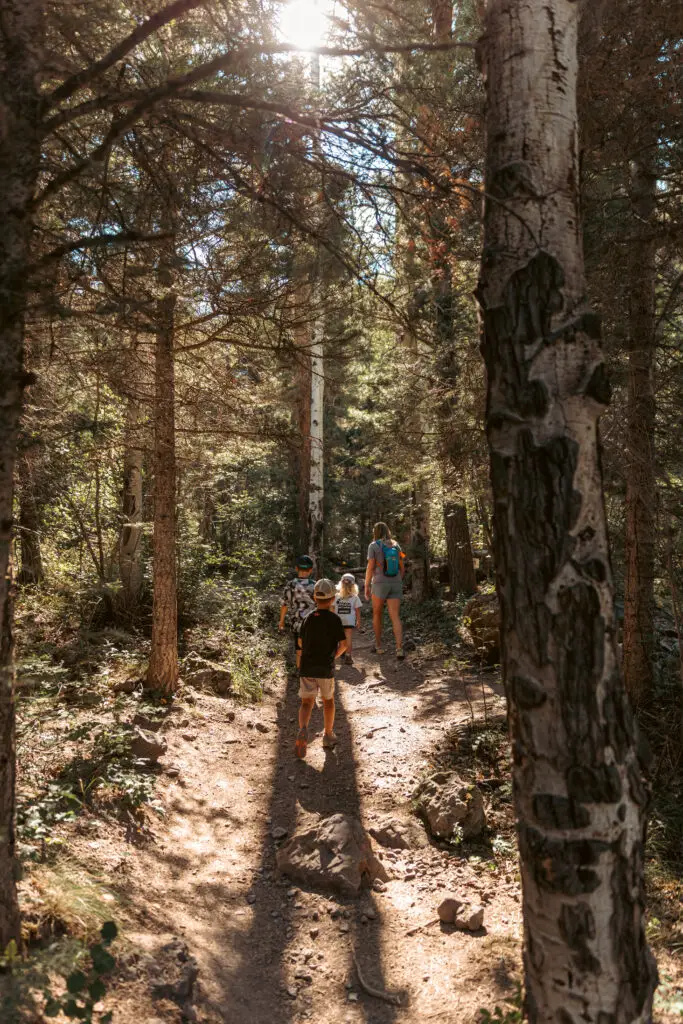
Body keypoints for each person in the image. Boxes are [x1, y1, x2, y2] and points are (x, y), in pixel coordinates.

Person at [295, 578, 347, 759]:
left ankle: (302, 729)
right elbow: (343, 644)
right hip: (325, 668)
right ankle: (328, 734)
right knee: (328, 701)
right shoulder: (334, 619)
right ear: (333, 599)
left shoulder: (308, 618)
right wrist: (333, 656)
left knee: (306, 702)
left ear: (314, 598)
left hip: (307, 667)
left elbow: (300, 642)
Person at [364, 521, 405, 659]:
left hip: (380, 583)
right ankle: (399, 648)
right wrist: (398, 580)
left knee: (377, 614)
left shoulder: (373, 546)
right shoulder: (396, 545)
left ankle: (378, 646)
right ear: (388, 531)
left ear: (375, 532)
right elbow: (402, 566)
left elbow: (370, 567)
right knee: (395, 616)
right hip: (396, 582)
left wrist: (367, 585)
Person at [279, 555, 316, 670]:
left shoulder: (291, 585)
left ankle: (301, 672)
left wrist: (281, 621)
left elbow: (285, 604)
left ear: (296, 568)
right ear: (310, 570)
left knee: (299, 649)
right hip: (312, 622)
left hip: (296, 623)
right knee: (311, 648)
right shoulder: (315, 585)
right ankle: (311, 671)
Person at [334, 573, 362, 665]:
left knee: (339, 638)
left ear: (341, 584)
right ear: (354, 585)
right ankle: (348, 655)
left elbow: (333, 609)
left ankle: (338, 653)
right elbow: (357, 611)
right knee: (348, 637)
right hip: (349, 621)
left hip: (338, 621)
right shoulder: (355, 597)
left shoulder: (336, 596)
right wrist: (358, 621)